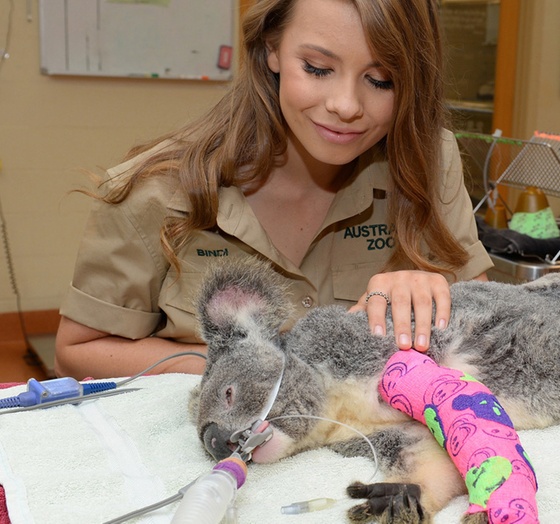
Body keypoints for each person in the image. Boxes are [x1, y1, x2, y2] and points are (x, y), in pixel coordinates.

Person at [54, 0, 493, 380]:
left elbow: (493, 333)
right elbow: (77, 353)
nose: (346, 105)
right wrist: (254, 367)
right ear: (271, 49)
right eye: (318, 68)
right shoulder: (157, 191)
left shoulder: (428, 161)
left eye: (381, 80)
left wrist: (430, 290)